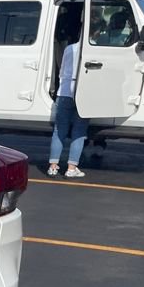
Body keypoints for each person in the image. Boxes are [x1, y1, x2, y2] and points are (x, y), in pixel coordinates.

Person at [48, 29, 88, 179]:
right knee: (79, 132)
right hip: (82, 92)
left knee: (59, 130)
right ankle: (71, 168)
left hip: (64, 91)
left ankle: (53, 166)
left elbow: (62, 69)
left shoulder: (69, 48)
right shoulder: (94, 51)